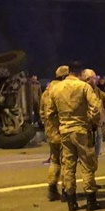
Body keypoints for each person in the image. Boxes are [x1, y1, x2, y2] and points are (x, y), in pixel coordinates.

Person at [48, 61, 102, 211]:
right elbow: (96, 108)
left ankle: (71, 201)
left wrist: (59, 126)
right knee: (87, 164)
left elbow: (50, 113)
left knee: (68, 165)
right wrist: (93, 122)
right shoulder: (83, 87)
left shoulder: (56, 88)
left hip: (65, 131)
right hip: (81, 130)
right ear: (80, 73)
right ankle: (91, 200)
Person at [40, 66, 69, 201]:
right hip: (63, 130)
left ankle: (52, 189)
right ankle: (66, 191)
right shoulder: (62, 90)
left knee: (55, 161)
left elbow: (41, 113)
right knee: (67, 162)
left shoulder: (46, 92)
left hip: (50, 132)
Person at [82, 69, 105, 157]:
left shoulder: (97, 90)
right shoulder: (82, 89)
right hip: (86, 125)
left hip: (96, 126)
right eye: (94, 78)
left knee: (95, 154)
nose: (97, 80)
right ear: (87, 80)